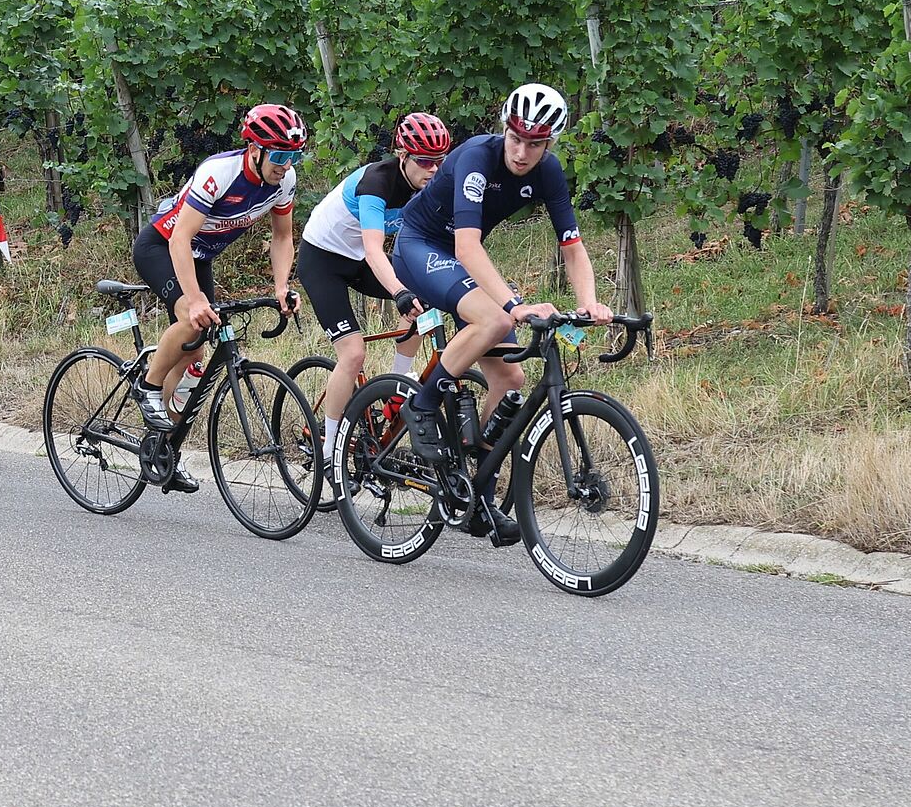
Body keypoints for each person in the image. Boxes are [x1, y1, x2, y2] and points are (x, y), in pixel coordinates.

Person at [391, 83, 614, 543]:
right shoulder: (477, 156)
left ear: (549, 144)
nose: (522, 151)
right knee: (494, 319)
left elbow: (571, 246)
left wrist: (589, 302)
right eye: (516, 138)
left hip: (458, 257)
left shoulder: (548, 172)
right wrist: (513, 305)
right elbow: (466, 245)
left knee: (510, 380)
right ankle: (423, 401)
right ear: (505, 130)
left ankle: (479, 495)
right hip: (421, 245)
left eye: (535, 144)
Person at [130, 103, 304, 493]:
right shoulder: (219, 173)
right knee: (192, 321)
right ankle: (148, 386)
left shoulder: (284, 182)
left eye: (293, 155)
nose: (286, 164)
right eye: (279, 155)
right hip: (162, 246)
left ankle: (161, 447)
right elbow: (179, 238)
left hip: (201, 255)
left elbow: (282, 237)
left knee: (196, 350)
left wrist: (280, 286)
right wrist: (193, 299)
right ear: (254, 150)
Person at [299, 112, 450, 469]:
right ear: (403, 155)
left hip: (358, 258)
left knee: (425, 303)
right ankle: (331, 449)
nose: (433, 169)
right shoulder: (377, 182)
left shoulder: (433, 185)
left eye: (440, 162)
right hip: (324, 260)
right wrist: (399, 291)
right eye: (425, 161)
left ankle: (398, 386)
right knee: (352, 354)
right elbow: (373, 248)